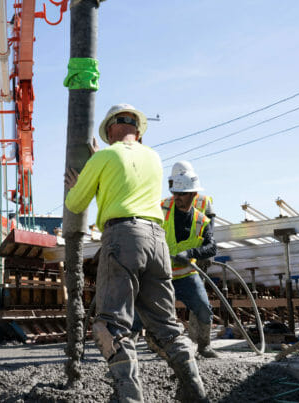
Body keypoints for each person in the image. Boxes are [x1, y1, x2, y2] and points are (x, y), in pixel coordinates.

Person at [65, 104, 207, 402]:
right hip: (157, 242)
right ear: (138, 131)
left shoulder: (105, 156)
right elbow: (126, 184)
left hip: (123, 238)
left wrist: (84, 178)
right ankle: (194, 390)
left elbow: (77, 204)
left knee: (110, 325)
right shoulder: (153, 157)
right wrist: (102, 170)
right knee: (165, 326)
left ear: (112, 129)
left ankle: (129, 397)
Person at [163, 161, 218, 358]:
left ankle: (203, 346)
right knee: (152, 311)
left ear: (193, 193)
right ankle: (160, 346)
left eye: (181, 192)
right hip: (161, 274)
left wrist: (191, 254)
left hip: (187, 271)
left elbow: (211, 243)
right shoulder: (162, 207)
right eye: (174, 191)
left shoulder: (202, 213)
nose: (176, 196)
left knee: (202, 308)